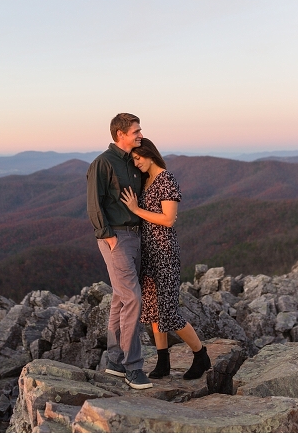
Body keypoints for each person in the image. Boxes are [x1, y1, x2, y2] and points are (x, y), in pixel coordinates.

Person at [120, 138, 211, 380]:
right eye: (134, 160)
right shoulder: (146, 181)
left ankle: (201, 355)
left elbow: (169, 219)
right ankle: (163, 363)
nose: (136, 163)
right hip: (147, 252)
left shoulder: (166, 180)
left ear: (150, 154)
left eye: (138, 158)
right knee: (151, 309)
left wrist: (136, 209)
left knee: (169, 312)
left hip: (164, 252)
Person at [87, 113, 152, 390]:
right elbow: (94, 203)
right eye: (136, 131)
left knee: (119, 298)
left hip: (135, 236)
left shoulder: (134, 161)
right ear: (120, 134)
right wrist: (108, 237)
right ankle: (133, 367)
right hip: (116, 237)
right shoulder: (102, 163)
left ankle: (114, 362)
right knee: (133, 297)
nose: (140, 134)